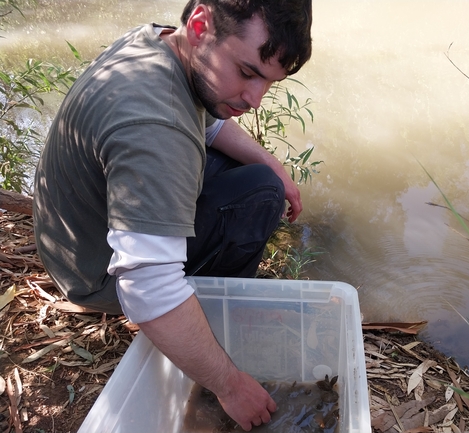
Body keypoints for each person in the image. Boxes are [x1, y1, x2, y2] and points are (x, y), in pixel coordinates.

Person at [33, 0, 313, 430]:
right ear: (201, 25)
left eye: (269, 83)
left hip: (77, 235)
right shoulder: (155, 125)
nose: (256, 100)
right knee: (259, 197)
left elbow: (208, 125)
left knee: (261, 178)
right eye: (248, 72)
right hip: (96, 274)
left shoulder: (163, 43)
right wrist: (230, 385)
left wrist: (275, 165)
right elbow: (147, 286)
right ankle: (221, 314)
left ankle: (212, 296)